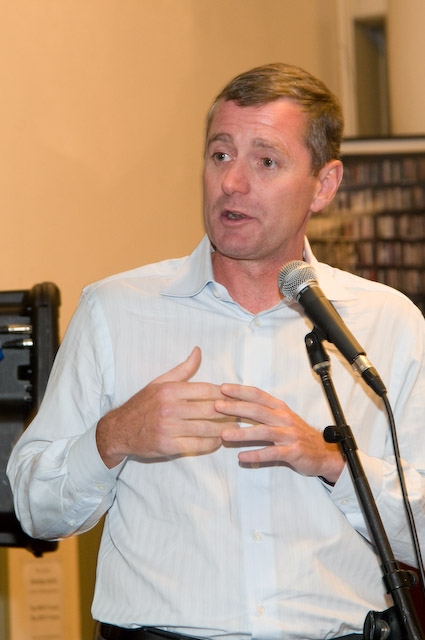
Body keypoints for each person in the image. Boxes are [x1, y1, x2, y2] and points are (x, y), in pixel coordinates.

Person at [7, 63, 425, 640]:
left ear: (324, 185)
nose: (231, 182)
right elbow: (33, 506)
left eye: (266, 161)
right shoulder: (115, 310)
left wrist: (332, 462)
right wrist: (114, 437)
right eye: (220, 155)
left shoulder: (386, 325)